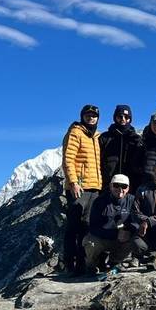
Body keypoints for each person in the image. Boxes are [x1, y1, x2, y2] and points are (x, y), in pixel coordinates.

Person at [61, 104, 102, 276]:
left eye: (94, 115)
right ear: (82, 116)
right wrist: (73, 182)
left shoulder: (96, 136)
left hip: (95, 187)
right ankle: (70, 265)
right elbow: (68, 159)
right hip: (79, 187)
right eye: (88, 115)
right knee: (73, 227)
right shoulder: (76, 132)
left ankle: (83, 264)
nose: (91, 118)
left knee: (87, 227)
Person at [82, 174, 136, 274]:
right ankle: (91, 265)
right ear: (111, 186)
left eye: (124, 186)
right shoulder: (99, 201)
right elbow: (93, 227)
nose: (120, 189)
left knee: (135, 240)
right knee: (90, 242)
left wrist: (129, 230)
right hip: (103, 238)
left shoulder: (132, 200)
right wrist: (115, 233)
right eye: (116, 185)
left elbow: (137, 221)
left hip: (121, 239)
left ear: (128, 188)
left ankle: (114, 263)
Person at [99, 104, 143, 191]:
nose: (123, 119)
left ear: (130, 119)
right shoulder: (105, 137)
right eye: (120, 116)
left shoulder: (136, 138)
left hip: (130, 184)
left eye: (126, 117)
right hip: (108, 184)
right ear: (115, 117)